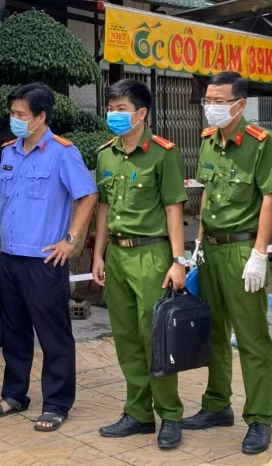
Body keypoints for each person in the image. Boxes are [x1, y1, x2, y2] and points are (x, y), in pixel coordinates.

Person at [0, 82, 97, 432]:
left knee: (53, 335)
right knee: (14, 332)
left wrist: (70, 241)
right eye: (12, 113)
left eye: (21, 114)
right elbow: (0, 200)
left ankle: (57, 403)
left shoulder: (62, 152)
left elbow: (88, 196)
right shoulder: (9, 152)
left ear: (41, 116)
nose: (14, 119)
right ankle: (14, 395)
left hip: (44, 261)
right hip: (9, 259)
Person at [92, 79, 188, 449]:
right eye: (110, 108)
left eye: (121, 109)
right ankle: (138, 413)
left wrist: (177, 260)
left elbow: (174, 209)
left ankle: (170, 414)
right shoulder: (106, 154)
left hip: (151, 255)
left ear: (141, 113)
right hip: (116, 255)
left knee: (156, 338)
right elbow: (103, 207)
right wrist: (98, 253)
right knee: (127, 337)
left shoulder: (163, 154)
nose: (113, 115)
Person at [182, 71, 272, 455]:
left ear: (240, 104)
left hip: (241, 249)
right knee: (214, 332)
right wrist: (198, 243)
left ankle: (261, 418)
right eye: (208, 100)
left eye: (219, 101)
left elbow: (269, 199)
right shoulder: (208, 141)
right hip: (212, 249)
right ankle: (217, 405)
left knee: (251, 337)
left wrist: (259, 254)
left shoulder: (261, 144)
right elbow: (206, 194)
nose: (211, 107)